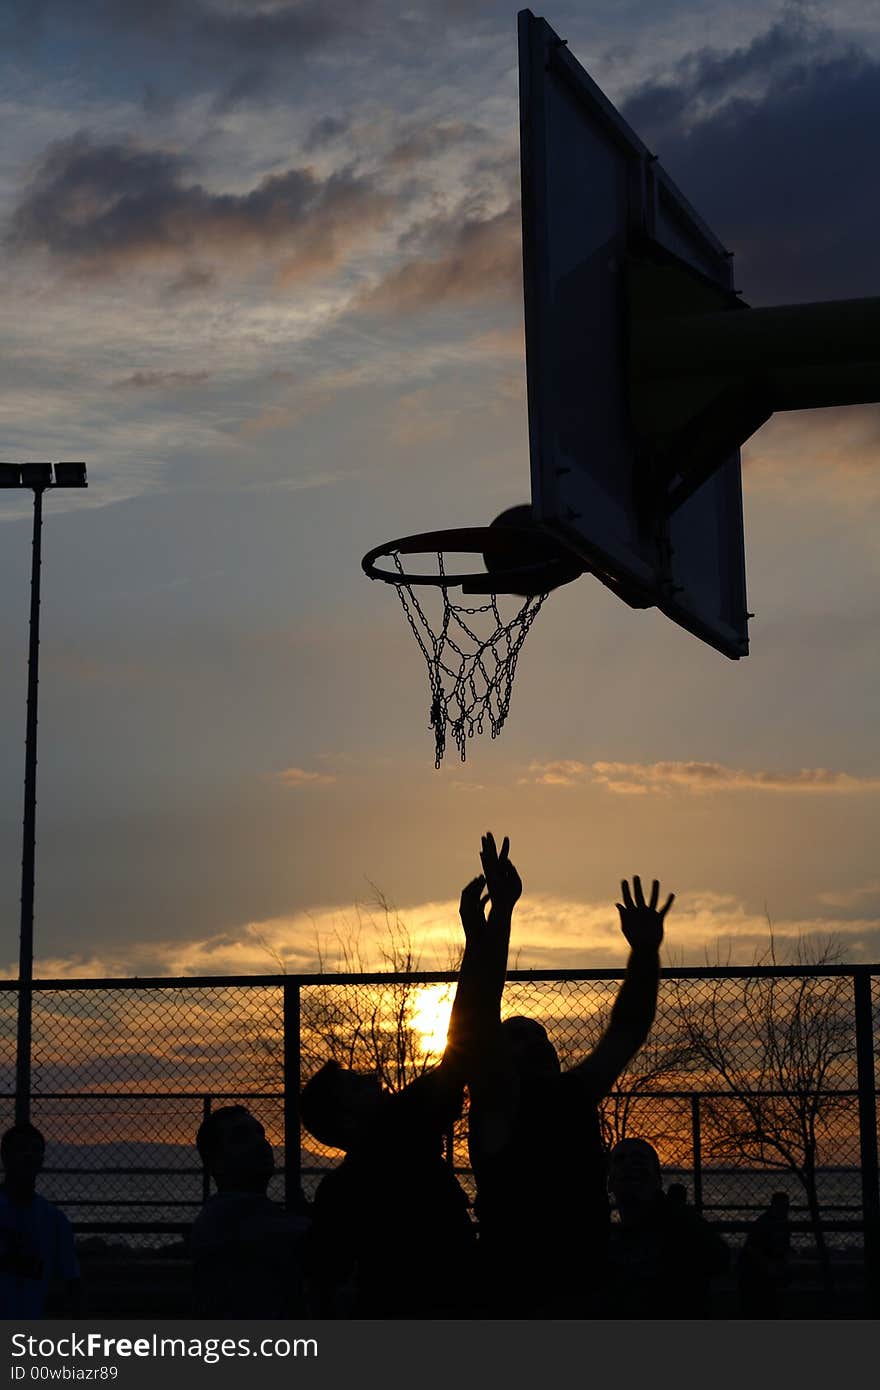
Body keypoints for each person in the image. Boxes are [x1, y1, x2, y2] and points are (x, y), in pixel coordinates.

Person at [299, 837, 518, 1318]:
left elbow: (323, 1279)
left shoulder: (341, 1188)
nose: (371, 1077)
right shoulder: (401, 1130)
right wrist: (491, 924)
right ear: (347, 1119)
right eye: (355, 1085)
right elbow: (472, 1022)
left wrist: (486, 931)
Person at [466, 866, 674, 1317]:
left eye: (539, 1033)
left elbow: (627, 1029)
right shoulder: (498, 1106)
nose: (535, 1041)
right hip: (516, 1296)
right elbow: (480, 1014)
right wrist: (500, 913)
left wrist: (644, 954)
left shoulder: (569, 1096)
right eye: (518, 1036)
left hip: (585, 1290)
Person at [190, 1105, 310, 1317]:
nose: (260, 1142)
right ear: (216, 1162)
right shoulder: (228, 1223)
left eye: (260, 1133)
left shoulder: (242, 1214)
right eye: (241, 1137)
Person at [606, 1136, 730, 1318]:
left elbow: (718, 1259)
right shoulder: (613, 1238)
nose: (629, 1164)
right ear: (610, 1183)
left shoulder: (681, 1224)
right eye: (620, 1159)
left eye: (639, 1159)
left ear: (657, 1181)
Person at [0, 1123, 81, 1317]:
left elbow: (73, 1284)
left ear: (41, 1160)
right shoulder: (53, 1220)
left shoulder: (54, 1221)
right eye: (22, 1150)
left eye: (34, 1151)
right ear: (5, 1157)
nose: (28, 1157)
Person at [737, 1190, 792, 1317]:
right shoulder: (766, 1223)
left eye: (785, 1207)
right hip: (756, 1271)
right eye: (781, 1207)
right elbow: (753, 1249)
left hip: (764, 1269)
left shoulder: (779, 1223)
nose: (784, 1210)